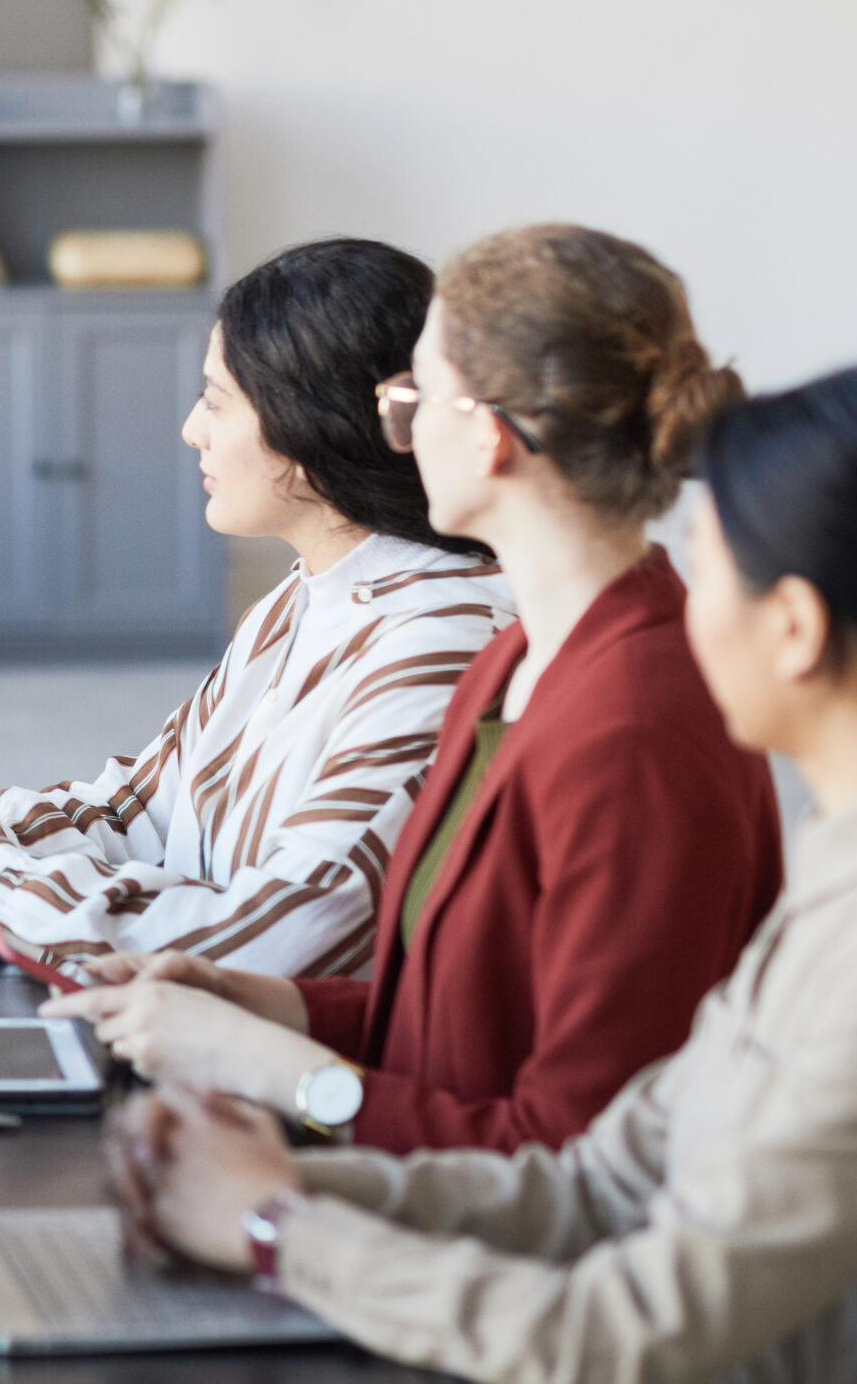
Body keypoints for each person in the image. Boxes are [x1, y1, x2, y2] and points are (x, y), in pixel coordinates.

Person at [110, 364, 857, 1383]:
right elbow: (598, 1179)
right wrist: (273, 1185)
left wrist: (277, 1223)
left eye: (713, 563)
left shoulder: (635, 724)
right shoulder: (829, 866)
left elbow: (619, 1332)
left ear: (796, 629)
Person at [47, 224, 782, 1153]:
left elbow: (568, 1155)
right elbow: (449, 1022)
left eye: (411, 396)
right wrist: (251, 999)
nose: (390, 428)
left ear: (487, 436)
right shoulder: (513, 662)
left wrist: (275, 1070)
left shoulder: (633, 729)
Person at [0, 239, 514, 976]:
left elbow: (275, 943)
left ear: (307, 427)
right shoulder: (299, 600)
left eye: (214, 399)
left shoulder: (442, 644)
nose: (190, 429)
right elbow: (143, 812)